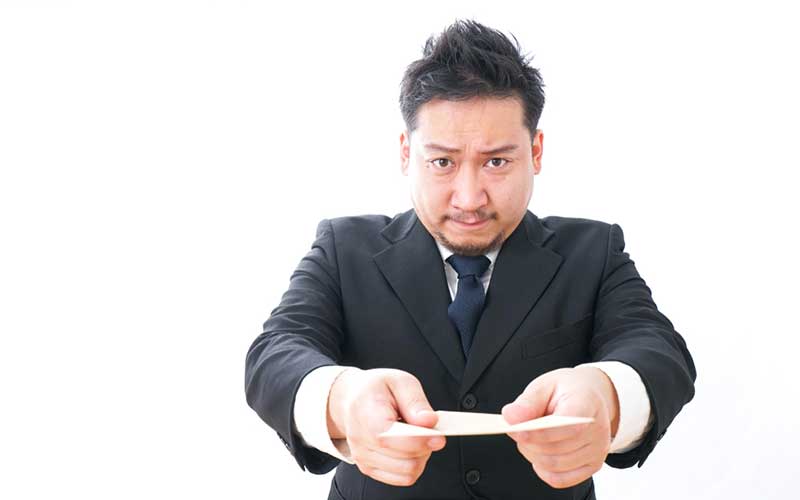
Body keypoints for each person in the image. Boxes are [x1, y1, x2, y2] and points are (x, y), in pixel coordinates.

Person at [245, 19, 696, 500]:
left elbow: (659, 350)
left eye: (496, 162)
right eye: (442, 162)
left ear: (535, 151)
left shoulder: (594, 251)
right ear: (407, 153)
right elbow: (275, 352)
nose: (469, 198)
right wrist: (341, 399)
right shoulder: (343, 248)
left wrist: (607, 394)